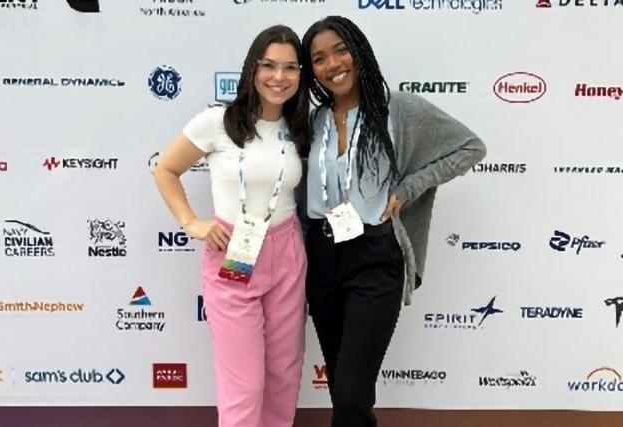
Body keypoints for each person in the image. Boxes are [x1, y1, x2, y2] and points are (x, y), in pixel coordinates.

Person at [300, 16, 487, 427]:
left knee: (350, 393)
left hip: (375, 257)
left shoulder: (399, 108)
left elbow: (470, 147)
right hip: (322, 256)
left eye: (340, 50)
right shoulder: (313, 122)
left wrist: (408, 189)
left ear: (359, 50)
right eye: (318, 58)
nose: (332, 64)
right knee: (342, 389)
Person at [153, 25, 310, 427]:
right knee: (245, 384)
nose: (279, 77)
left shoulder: (302, 128)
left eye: (290, 68)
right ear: (252, 68)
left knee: (283, 376)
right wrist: (191, 222)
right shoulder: (217, 122)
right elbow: (166, 170)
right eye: (269, 65)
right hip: (234, 249)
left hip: (287, 251)